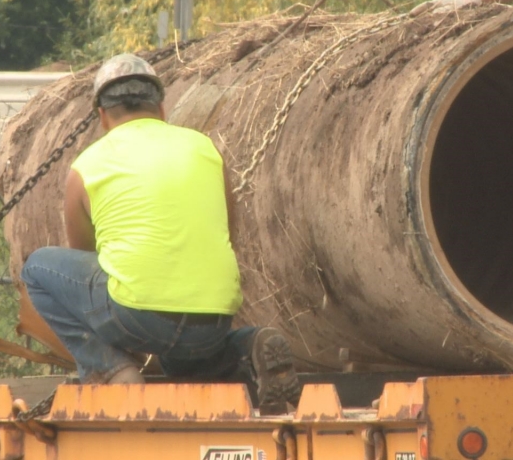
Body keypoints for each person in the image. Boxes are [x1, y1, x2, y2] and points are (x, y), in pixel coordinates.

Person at [21, 53, 302, 414]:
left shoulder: (86, 167)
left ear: (103, 116)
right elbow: (228, 236)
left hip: (137, 316)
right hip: (214, 319)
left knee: (37, 269)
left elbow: (88, 259)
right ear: (161, 108)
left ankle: (112, 371)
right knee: (180, 362)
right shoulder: (206, 149)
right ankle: (247, 345)